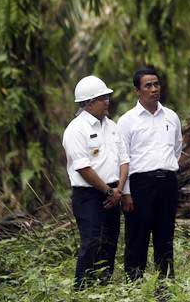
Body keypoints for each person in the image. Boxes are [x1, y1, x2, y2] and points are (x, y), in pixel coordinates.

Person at [62, 75, 130, 289]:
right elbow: (82, 167)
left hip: (114, 191)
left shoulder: (112, 126)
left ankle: (104, 287)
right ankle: (82, 288)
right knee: (91, 242)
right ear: (89, 102)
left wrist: (117, 190)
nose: (108, 101)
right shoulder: (76, 129)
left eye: (107, 97)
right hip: (89, 196)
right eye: (103, 98)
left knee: (109, 243)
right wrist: (108, 192)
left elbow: (124, 159)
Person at [117, 67, 183, 280]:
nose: (154, 89)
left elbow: (177, 148)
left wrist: (166, 167)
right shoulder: (127, 121)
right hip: (139, 185)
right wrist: (125, 192)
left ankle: (166, 283)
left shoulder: (171, 117)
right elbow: (122, 157)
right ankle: (134, 283)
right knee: (137, 236)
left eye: (156, 84)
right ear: (138, 91)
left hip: (167, 183)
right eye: (148, 86)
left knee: (165, 235)